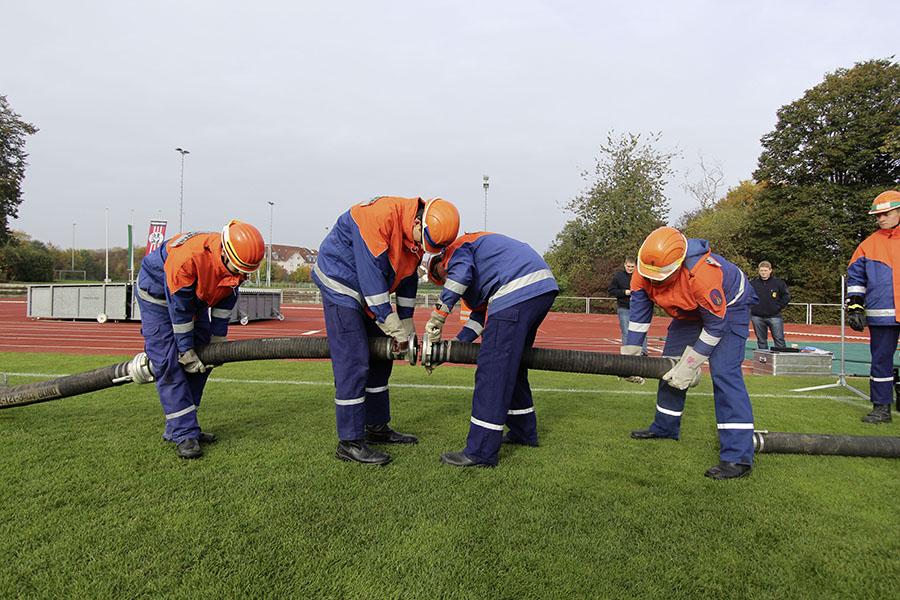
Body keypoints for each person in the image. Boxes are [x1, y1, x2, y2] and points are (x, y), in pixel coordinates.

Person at [313, 196, 460, 465]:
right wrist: (392, 325)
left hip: (368, 291)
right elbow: (371, 282)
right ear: (418, 221)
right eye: (422, 241)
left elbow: (406, 281)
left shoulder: (416, 234)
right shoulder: (377, 218)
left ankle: (376, 427)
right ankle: (350, 442)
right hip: (341, 282)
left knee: (382, 358)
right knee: (354, 360)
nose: (421, 248)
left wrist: (406, 325)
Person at [623, 226, 758, 480]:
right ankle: (665, 427)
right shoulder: (643, 270)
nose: (653, 281)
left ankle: (738, 457)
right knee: (668, 366)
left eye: (659, 277)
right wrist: (630, 354)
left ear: (676, 265)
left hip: (729, 309)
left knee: (725, 374)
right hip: (688, 312)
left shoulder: (702, 274)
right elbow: (640, 314)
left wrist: (691, 364)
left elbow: (715, 327)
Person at [422, 232, 559, 468]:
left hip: (515, 289)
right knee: (513, 368)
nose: (445, 280)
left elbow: (460, 275)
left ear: (442, 260)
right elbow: (479, 319)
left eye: (441, 275)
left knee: (493, 370)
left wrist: (438, 315)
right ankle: (524, 432)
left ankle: (480, 452)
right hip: (539, 287)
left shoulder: (457, 251)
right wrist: (451, 348)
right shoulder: (484, 266)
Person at [136, 219, 265, 459]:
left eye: (245, 272)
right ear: (225, 252)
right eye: (238, 270)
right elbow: (180, 310)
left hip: (194, 299)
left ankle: (182, 427)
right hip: (159, 300)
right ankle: (184, 433)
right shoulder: (187, 259)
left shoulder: (237, 262)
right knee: (169, 363)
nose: (241, 276)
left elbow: (226, 299)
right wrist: (185, 349)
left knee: (204, 360)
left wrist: (218, 338)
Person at [846, 189, 900, 424]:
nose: (881, 219)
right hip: (882, 314)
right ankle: (881, 408)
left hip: (883, 312)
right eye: (878, 216)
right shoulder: (868, 245)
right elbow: (855, 279)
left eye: (886, 214)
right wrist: (855, 306)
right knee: (880, 361)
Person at [608, 256, 649, 356]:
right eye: (628, 266)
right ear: (624, 265)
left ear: (636, 266)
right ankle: (627, 354)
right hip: (624, 308)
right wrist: (624, 292)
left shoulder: (641, 276)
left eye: (632, 267)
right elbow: (611, 290)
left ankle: (643, 351)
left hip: (638, 308)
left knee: (641, 329)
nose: (630, 269)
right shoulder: (618, 276)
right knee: (626, 331)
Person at [749, 261, 790, 349]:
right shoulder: (753, 283)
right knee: (761, 340)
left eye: (765, 270)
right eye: (761, 270)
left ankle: (781, 360)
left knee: (779, 339)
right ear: (758, 271)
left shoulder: (778, 283)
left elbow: (786, 296)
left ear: (770, 270)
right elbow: (748, 296)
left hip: (774, 316)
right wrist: (752, 308)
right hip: (757, 316)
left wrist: (778, 307)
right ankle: (763, 359)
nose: (763, 272)